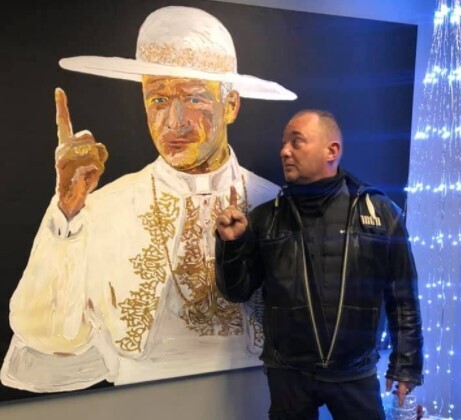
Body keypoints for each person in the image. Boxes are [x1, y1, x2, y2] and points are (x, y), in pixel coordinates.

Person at [0, 6, 296, 392]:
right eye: (157, 100)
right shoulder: (104, 209)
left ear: (231, 106)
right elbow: (47, 341)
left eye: (194, 98)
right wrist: (67, 213)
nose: (174, 121)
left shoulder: (274, 205)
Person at [215, 110, 423, 419]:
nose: (284, 151)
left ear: (332, 151)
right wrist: (232, 245)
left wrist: (406, 365)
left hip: (354, 372)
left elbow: (402, 296)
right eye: (283, 143)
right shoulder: (266, 218)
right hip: (288, 374)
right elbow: (237, 292)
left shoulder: (379, 213)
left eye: (296, 141)